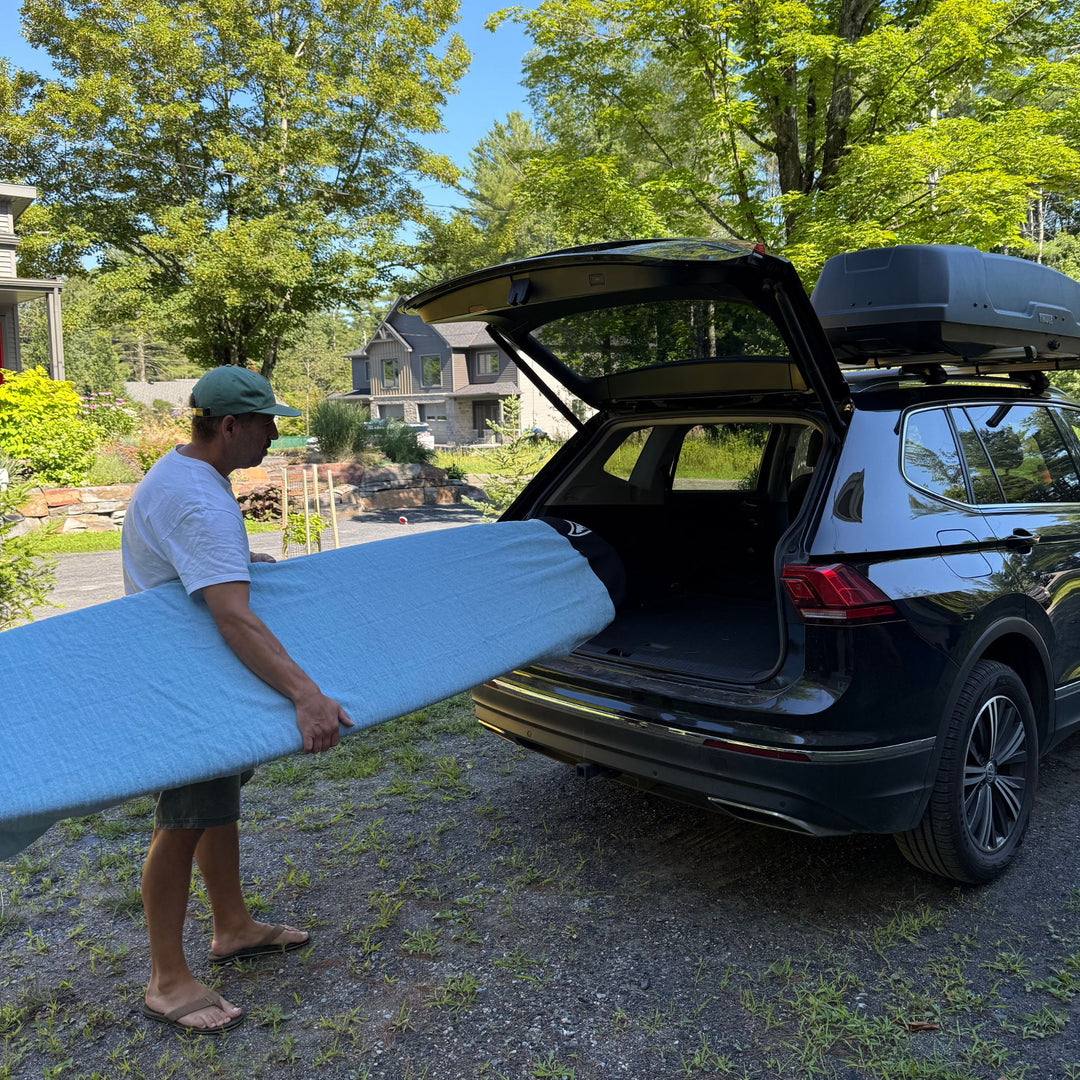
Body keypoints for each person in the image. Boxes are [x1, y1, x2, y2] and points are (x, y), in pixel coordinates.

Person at [121, 366, 353, 1034]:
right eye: (266, 424)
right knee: (184, 818)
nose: (273, 437)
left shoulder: (181, 473)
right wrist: (307, 696)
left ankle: (233, 926)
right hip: (193, 680)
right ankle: (167, 980)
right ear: (229, 426)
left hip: (198, 670)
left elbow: (196, 571)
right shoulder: (199, 497)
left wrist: (240, 561)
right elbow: (233, 618)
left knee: (214, 806)